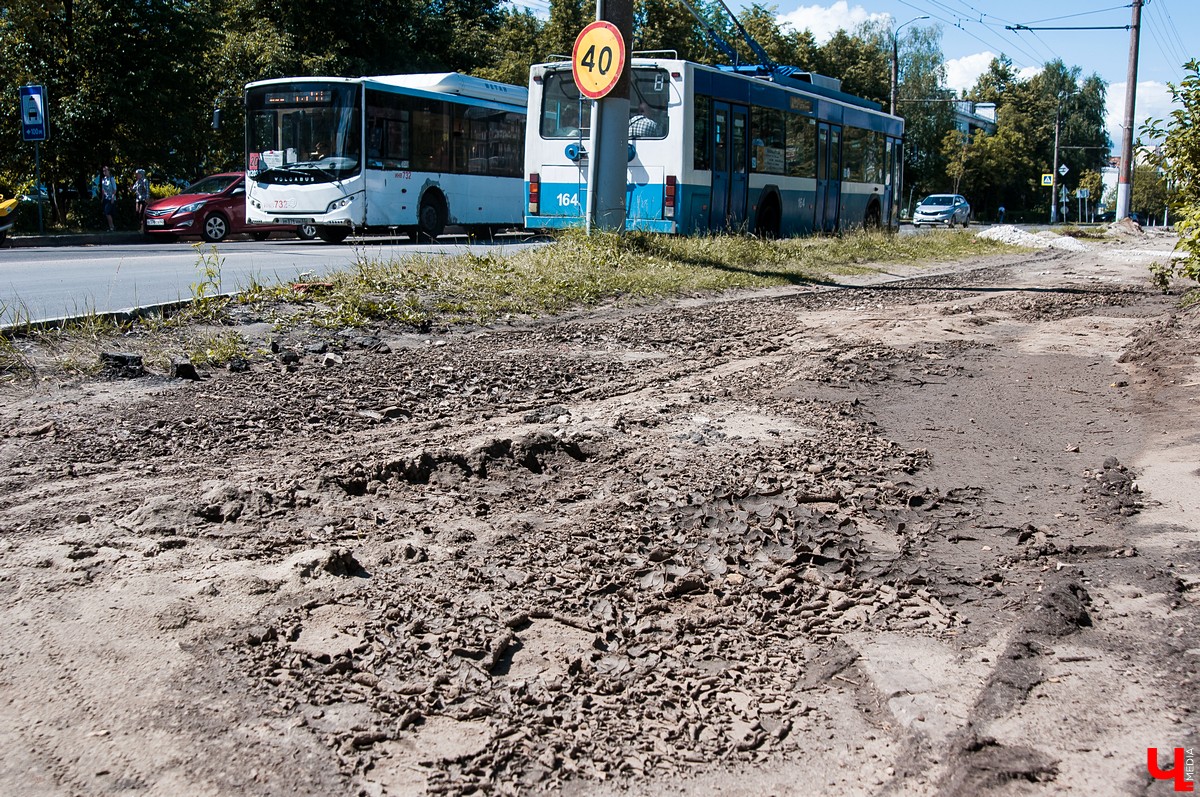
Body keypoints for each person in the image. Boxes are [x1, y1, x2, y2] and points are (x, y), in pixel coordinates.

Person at [100, 165, 117, 231]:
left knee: (108, 213)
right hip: (106, 198)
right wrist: (102, 198)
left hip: (111, 198)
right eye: (103, 171)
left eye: (106, 170)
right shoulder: (103, 179)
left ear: (109, 171)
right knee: (106, 213)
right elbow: (103, 190)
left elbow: (114, 189)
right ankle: (110, 226)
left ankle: (112, 226)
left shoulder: (111, 179)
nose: (104, 172)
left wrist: (112, 197)